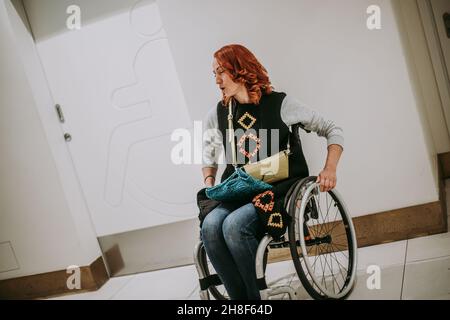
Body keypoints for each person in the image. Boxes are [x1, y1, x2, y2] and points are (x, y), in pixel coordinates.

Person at [200, 44, 344, 300]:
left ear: (240, 70)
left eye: (221, 71)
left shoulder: (279, 104)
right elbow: (207, 152)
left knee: (234, 225)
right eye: (214, 74)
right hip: (237, 191)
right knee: (211, 226)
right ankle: (240, 301)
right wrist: (210, 182)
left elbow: (332, 128)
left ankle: (254, 299)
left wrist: (329, 168)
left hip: (276, 191)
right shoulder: (220, 112)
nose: (217, 80)